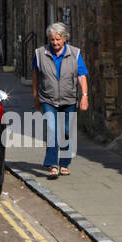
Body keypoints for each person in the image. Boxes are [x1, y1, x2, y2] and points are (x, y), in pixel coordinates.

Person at [32, 22, 89, 179]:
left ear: (65, 38)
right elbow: (35, 76)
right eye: (52, 40)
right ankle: (52, 164)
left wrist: (84, 96)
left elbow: (82, 76)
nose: (55, 43)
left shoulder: (75, 53)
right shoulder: (39, 53)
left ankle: (64, 163)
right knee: (52, 130)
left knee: (65, 132)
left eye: (58, 39)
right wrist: (36, 96)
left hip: (68, 99)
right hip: (48, 99)